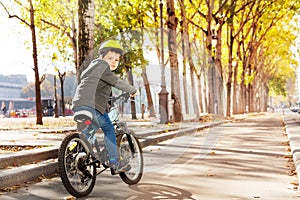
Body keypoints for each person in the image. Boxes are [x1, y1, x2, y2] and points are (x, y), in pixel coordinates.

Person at [72, 40, 137, 173]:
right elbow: (116, 81)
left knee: (92, 127)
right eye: (110, 58)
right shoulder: (102, 67)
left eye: (117, 60)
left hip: (79, 103)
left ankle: (75, 149)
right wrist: (132, 90)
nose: (113, 62)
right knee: (108, 129)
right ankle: (115, 162)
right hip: (92, 105)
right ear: (101, 57)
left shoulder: (92, 68)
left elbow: (97, 89)